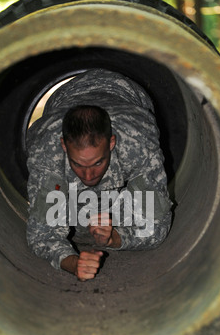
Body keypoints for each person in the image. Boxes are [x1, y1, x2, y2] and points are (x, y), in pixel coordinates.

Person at [26, 69, 172, 281]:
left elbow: (155, 226)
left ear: (111, 143)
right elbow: (41, 234)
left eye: (97, 162)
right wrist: (72, 263)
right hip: (65, 96)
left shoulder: (137, 144)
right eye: (78, 164)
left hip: (128, 93)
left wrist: (115, 238)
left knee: (126, 206)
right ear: (63, 146)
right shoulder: (46, 151)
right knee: (71, 205)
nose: (88, 174)